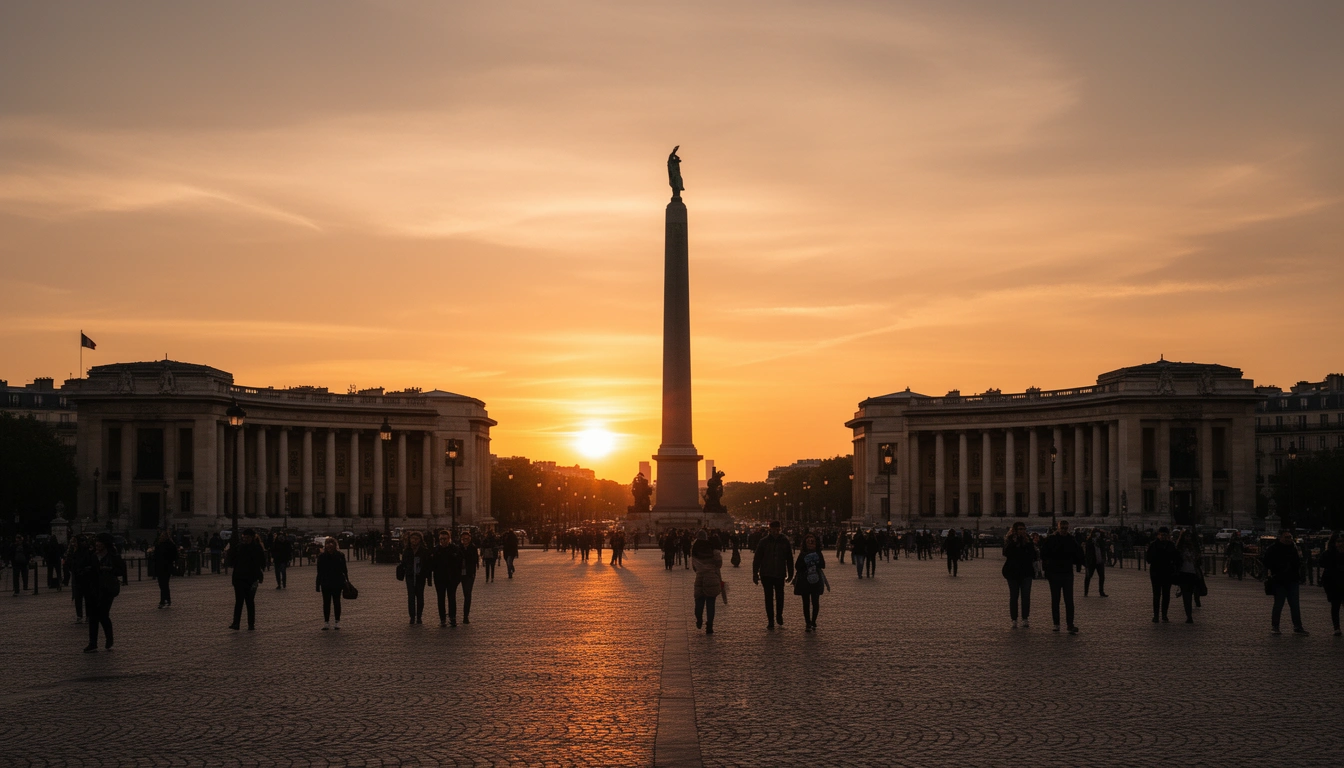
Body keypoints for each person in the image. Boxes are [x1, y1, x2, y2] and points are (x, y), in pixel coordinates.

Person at [1040, 520, 1084, 633]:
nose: (1064, 530)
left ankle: (1070, 624)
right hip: (1054, 573)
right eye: (1062, 528)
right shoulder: (1051, 539)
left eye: (1066, 528)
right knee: (1055, 599)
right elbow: (1043, 554)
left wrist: (1080, 563)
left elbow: (1078, 553)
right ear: (1058, 528)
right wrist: (1046, 570)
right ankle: (1056, 623)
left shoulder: (1071, 539)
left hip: (1067, 572)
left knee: (1069, 600)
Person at [82, 533, 123, 652]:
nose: (97, 544)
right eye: (96, 542)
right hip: (94, 588)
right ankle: (92, 643)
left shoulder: (113, 556)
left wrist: (109, 569)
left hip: (107, 589)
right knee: (93, 616)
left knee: (103, 615)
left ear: (105, 544)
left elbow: (120, 571)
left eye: (99, 542)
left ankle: (109, 639)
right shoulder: (93, 555)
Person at [1264, 530, 1309, 635]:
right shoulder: (1273, 549)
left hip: (1292, 579)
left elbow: (1298, 562)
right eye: (1286, 537)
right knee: (1278, 604)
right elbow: (1266, 562)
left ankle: (1297, 626)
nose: (1289, 539)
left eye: (1290, 537)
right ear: (1280, 538)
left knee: (1295, 605)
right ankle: (1275, 626)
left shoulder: (1293, 548)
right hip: (1279, 580)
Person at [752, 521, 794, 630]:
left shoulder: (784, 541)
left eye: (778, 529)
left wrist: (791, 573)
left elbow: (789, 558)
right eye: (774, 529)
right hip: (766, 573)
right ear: (770, 529)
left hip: (779, 573)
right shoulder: (763, 542)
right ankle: (770, 620)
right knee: (768, 597)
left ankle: (779, 614)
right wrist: (755, 573)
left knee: (780, 596)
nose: (776, 531)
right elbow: (757, 558)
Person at [228, 528, 266, 630]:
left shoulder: (256, 548)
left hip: (251, 578)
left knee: (249, 602)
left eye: (247, 537)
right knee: (238, 601)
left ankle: (251, 624)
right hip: (239, 577)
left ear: (252, 538)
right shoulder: (239, 547)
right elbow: (232, 561)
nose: (245, 539)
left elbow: (261, 562)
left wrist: (258, 576)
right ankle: (236, 623)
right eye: (244, 537)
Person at [1002, 522, 1037, 628]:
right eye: (1020, 529)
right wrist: (1014, 542)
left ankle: (1025, 618)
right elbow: (1005, 553)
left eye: (1023, 529)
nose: (1022, 531)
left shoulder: (1028, 540)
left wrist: (1029, 544)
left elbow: (1033, 554)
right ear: (1015, 530)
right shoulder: (1010, 540)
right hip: (1013, 572)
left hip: (1026, 572)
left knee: (1026, 597)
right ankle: (1014, 619)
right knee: (1014, 596)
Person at [793, 532, 828, 631]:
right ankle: (808, 622)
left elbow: (822, 565)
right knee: (807, 602)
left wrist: (814, 563)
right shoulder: (804, 554)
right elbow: (797, 566)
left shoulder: (817, 553)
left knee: (814, 602)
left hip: (814, 580)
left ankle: (813, 621)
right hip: (806, 580)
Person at [690, 531, 723, 634]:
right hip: (711, 577)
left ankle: (699, 619)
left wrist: (700, 570)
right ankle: (709, 625)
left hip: (699, 577)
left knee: (699, 601)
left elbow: (694, 566)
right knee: (711, 602)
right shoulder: (712, 548)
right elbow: (719, 564)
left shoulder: (695, 549)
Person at [1145, 527, 1179, 623]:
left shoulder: (1171, 545)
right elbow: (1148, 559)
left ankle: (1164, 614)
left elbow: (1175, 557)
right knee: (1156, 594)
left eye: (1165, 535)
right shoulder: (1153, 545)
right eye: (1161, 535)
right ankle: (1156, 615)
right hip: (1156, 572)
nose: (1163, 537)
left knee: (1166, 594)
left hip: (1167, 572)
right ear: (1158, 535)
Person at [431, 529, 462, 627]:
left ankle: (452, 618)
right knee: (440, 599)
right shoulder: (436, 549)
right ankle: (442, 619)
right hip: (439, 578)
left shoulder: (455, 549)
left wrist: (458, 578)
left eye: (445, 539)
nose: (443, 541)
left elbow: (459, 564)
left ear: (449, 539)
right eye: (441, 539)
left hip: (452, 578)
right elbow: (432, 565)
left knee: (452, 598)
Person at [315, 537, 348, 630]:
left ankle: (336, 621)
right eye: (328, 544)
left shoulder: (339, 555)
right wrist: (317, 584)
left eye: (331, 544)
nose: (329, 546)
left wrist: (346, 582)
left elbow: (344, 570)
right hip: (327, 582)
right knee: (327, 603)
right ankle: (327, 622)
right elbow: (319, 572)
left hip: (336, 582)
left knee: (336, 602)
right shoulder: (323, 556)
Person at [400, 530, 432, 624]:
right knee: (411, 597)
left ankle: (419, 616)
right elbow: (403, 563)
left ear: (420, 540)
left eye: (416, 539)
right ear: (409, 540)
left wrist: (429, 578)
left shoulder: (424, 551)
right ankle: (412, 617)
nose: (414, 540)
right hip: (410, 576)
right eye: (412, 538)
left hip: (420, 576)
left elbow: (428, 565)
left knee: (420, 596)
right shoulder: (407, 550)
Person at [1173, 530, 1203, 623]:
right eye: (1186, 536)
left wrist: (1197, 558)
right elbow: (1176, 560)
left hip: (1193, 573)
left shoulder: (1194, 548)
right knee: (1187, 595)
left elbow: (1199, 562)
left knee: (1191, 593)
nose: (1188, 538)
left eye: (1189, 536)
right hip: (1183, 573)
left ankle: (1193, 607)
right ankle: (1189, 615)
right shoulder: (1180, 548)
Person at [1319, 534, 1343, 637]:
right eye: (1338, 541)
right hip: (1333, 582)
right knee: (1335, 605)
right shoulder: (1328, 553)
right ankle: (1336, 627)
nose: (1340, 544)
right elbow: (1322, 563)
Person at [457, 530, 480, 624]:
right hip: (458, 573)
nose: (465, 541)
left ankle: (465, 616)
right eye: (463, 539)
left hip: (469, 574)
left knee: (467, 594)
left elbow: (474, 560)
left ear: (470, 539)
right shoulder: (458, 548)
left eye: (467, 539)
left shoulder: (473, 548)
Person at [152, 531, 178, 608]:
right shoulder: (171, 545)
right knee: (165, 584)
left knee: (162, 584)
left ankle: (163, 601)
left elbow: (155, 557)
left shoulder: (159, 545)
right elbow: (175, 556)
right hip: (167, 567)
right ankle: (167, 600)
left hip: (160, 566)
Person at [1083, 530, 1107, 597]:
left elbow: (1103, 548)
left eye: (1098, 534)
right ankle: (1086, 592)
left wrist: (1104, 558)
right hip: (1092, 561)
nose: (1097, 535)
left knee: (1102, 576)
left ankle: (1101, 591)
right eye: (1096, 533)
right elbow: (1087, 551)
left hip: (1100, 561)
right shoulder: (1089, 541)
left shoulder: (1100, 541)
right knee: (1088, 576)